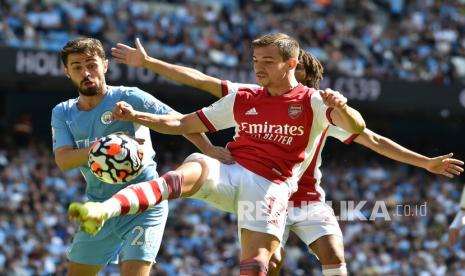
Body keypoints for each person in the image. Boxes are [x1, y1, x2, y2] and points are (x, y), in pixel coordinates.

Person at [110, 38, 464, 275]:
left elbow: (371, 137)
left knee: (333, 253)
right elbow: (201, 80)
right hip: (258, 190)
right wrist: (150, 63)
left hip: (305, 198)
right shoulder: (250, 95)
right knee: (270, 262)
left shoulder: (319, 110)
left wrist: (425, 162)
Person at [68, 33, 366, 275]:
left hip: (270, 187)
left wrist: (342, 106)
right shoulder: (244, 97)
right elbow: (183, 123)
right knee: (194, 165)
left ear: (291, 64)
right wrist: (139, 116)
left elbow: (357, 126)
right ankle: (103, 210)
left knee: (260, 263)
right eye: (255, 60)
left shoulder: (314, 102)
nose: (258, 67)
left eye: (268, 61)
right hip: (232, 170)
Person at [52, 38, 230, 276]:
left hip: (146, 203)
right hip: (100, 207)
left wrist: (209, 149)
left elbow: (180, 122)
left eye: (91, 64)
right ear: (67, 72)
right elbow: (64, 160)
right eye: (77, 67)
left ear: (104, 65)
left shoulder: (130, 97)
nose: (86, 72)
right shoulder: (63, 112)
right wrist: (108, 146)